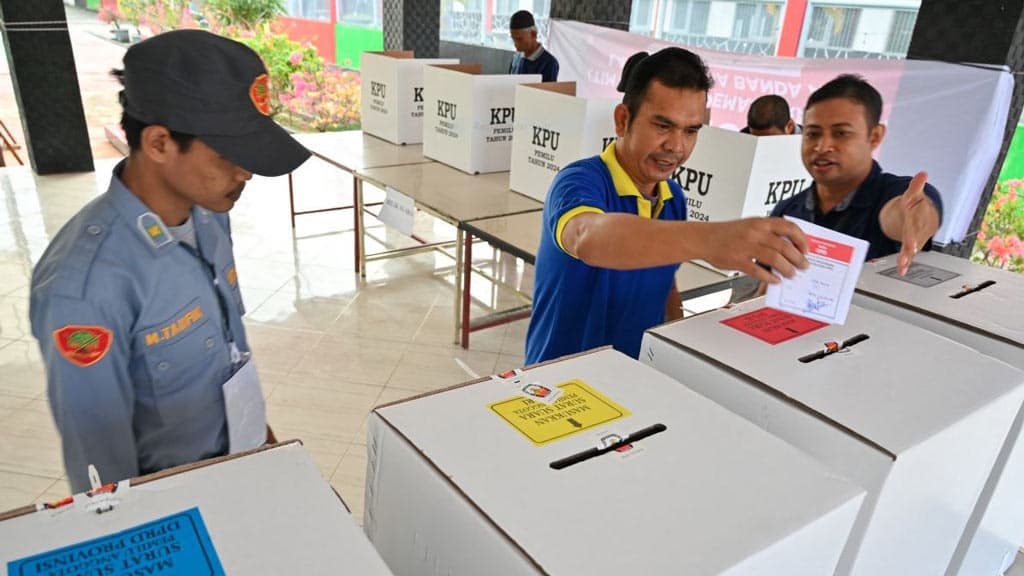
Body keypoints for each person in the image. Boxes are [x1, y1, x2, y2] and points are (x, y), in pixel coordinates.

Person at [29, 30, 310, 493]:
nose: (246, 172)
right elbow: (103, 477)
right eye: (228, 155)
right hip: (173, 502)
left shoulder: (207, 213)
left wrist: (267, 447)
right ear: (159, 143)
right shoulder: (84, 289)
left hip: (243, 464)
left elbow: (225, 355)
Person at [524, 47, 809, 365]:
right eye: (662, 126)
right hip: (560, 384)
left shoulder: (673, 198)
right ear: (623, 120)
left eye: (690, 131)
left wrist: (673, 348)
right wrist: (709, 239)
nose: (676, 146)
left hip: (633, 375)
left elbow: (665, 286)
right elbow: (587, 237)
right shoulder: (579, 181)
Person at [771, 74, 942, 275]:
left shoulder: (891, 195)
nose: (822, 146)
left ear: (875, 136)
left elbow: (905, 213)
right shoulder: (787, 211)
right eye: (813, 133)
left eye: (841, 133)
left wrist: (913, 218)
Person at [508, 10, 559, 82]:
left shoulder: (549, 63)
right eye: (513, 39)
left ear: (533, 34)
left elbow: (548, 92)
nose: (515, 43)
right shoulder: (516, 58)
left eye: (519, 39)